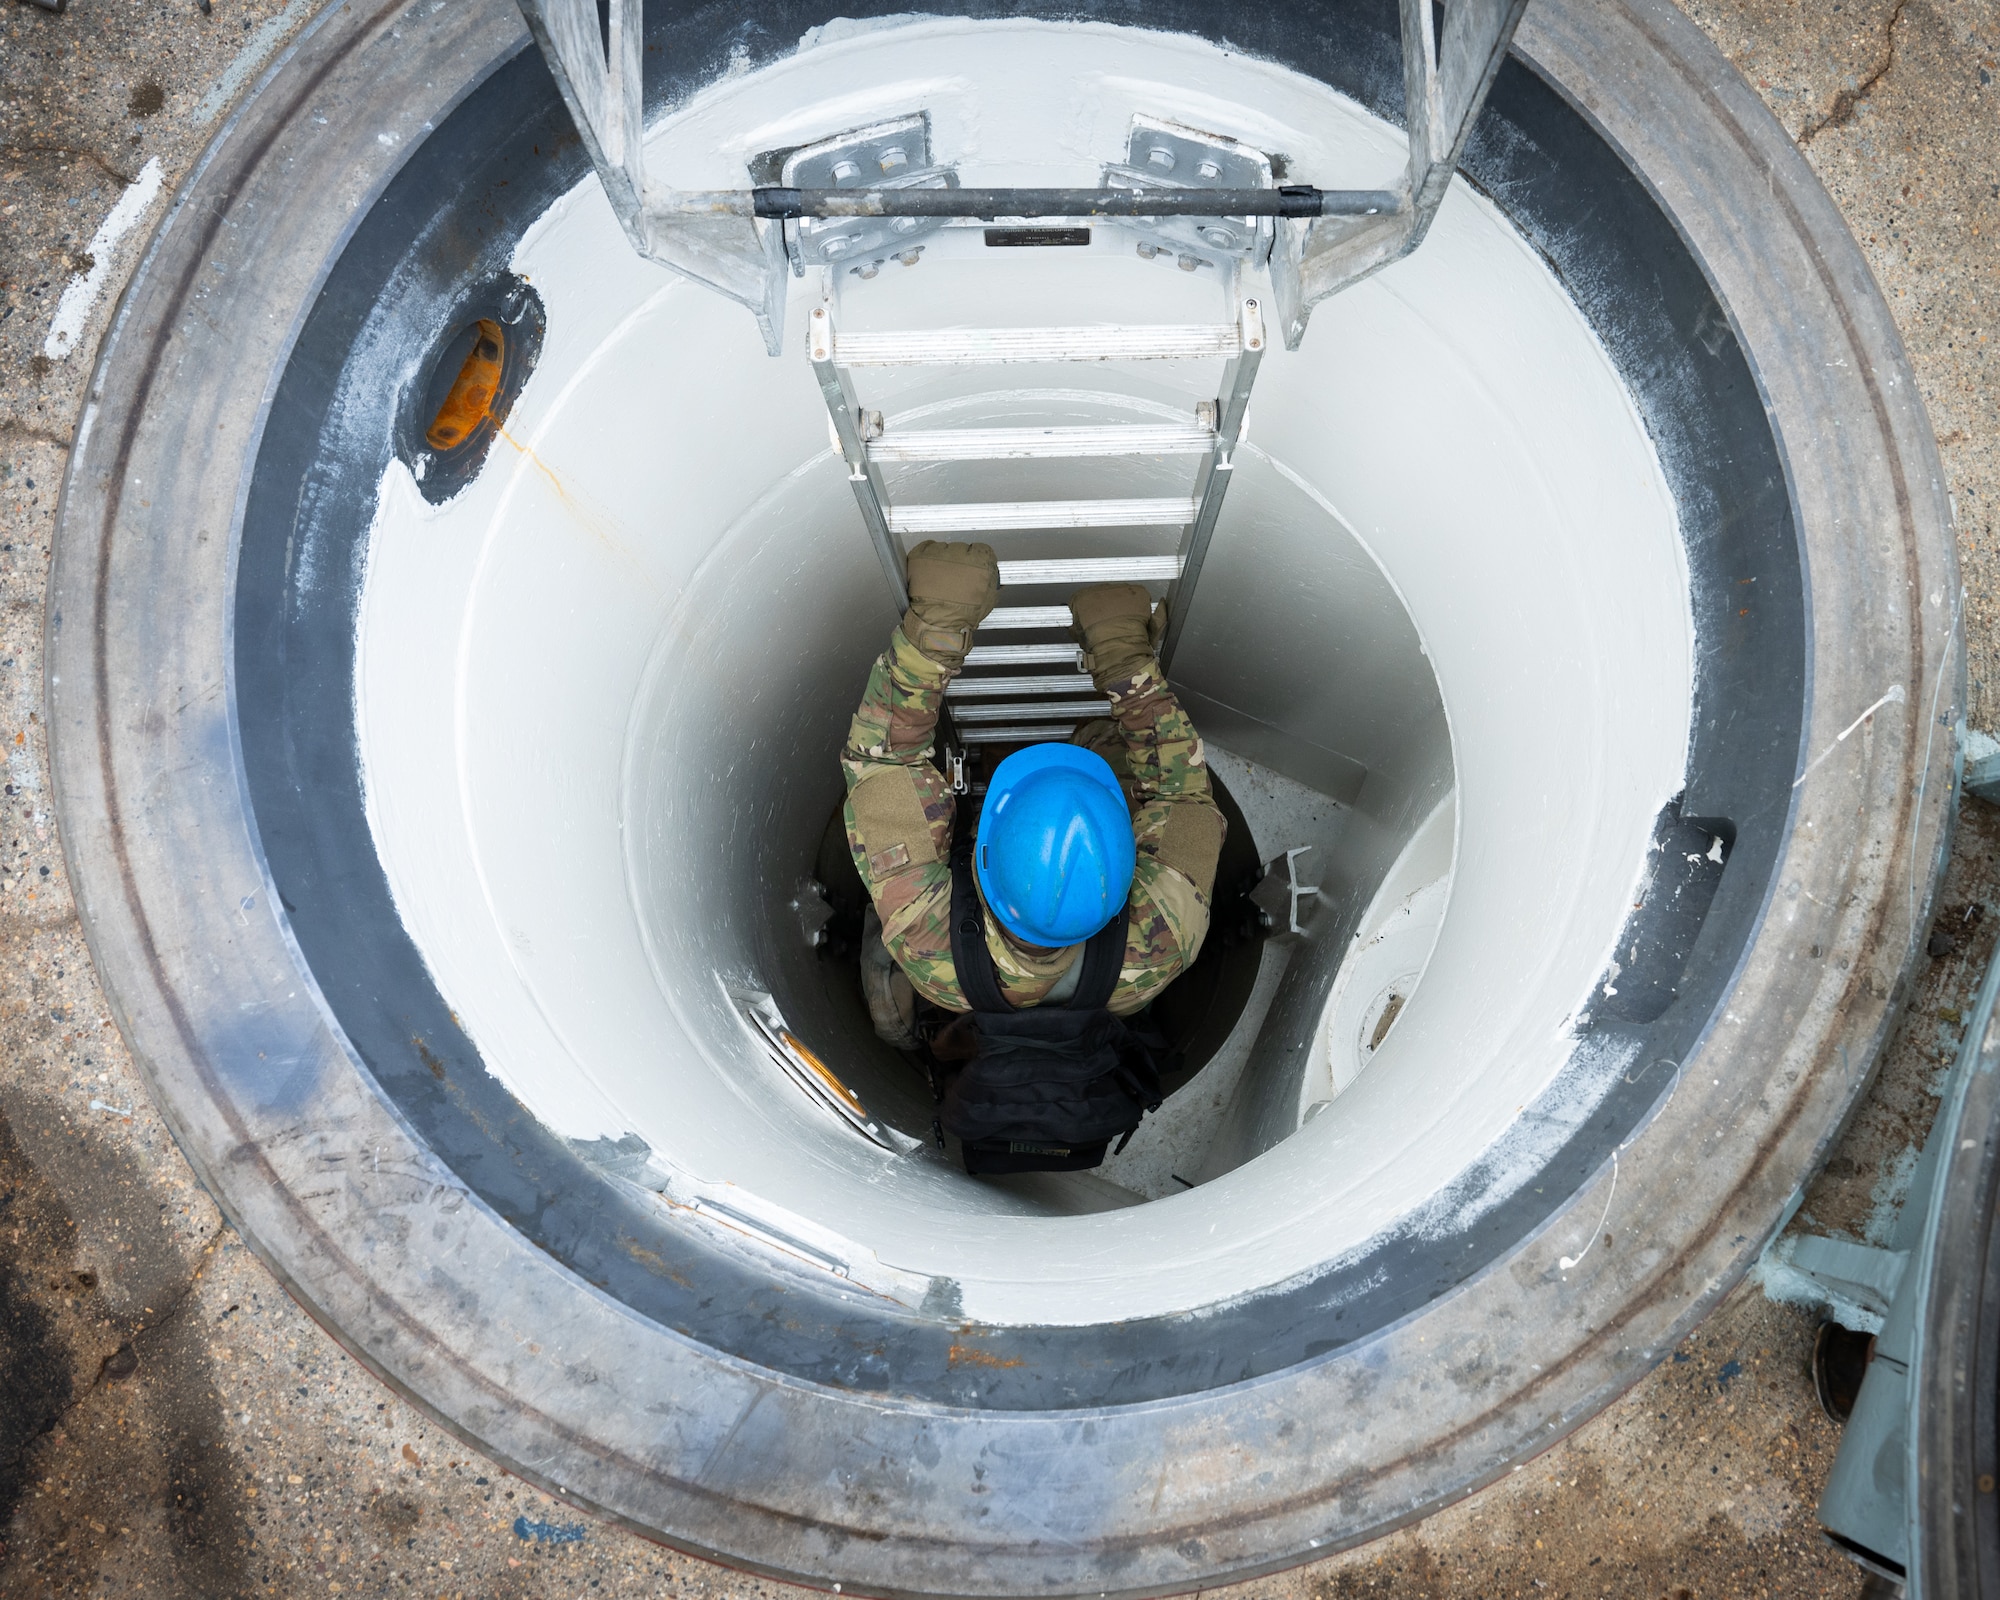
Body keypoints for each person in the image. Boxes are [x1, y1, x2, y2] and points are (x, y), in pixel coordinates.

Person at [841, 538, 1226, 1076]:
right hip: (1109, 988)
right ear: (1127, 872)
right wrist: (1125, 661)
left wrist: (937, 635)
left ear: (981, 852)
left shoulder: (926, 942)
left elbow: (880, 761)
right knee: (1103, 743)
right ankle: (1092, 741)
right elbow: (1183, 797)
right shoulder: (1166, 939)